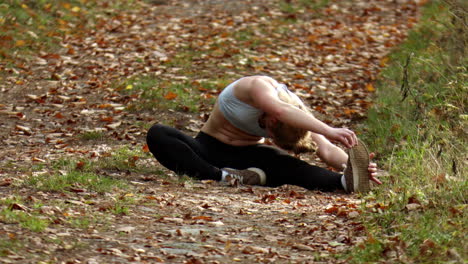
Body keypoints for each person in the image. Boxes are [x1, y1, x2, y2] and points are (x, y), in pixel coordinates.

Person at [146, 76, 381, 193]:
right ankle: (223, 177)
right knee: (159, 134)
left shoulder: (299, 113)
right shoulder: (259, 86)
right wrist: (330, 130)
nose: (264, 131)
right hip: (208, 149)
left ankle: (343, 183)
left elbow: (327, 150)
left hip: (250, 156)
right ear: (275, 118)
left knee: (289, 166)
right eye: (267, 128)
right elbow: (280, 108)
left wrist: (351, 166)